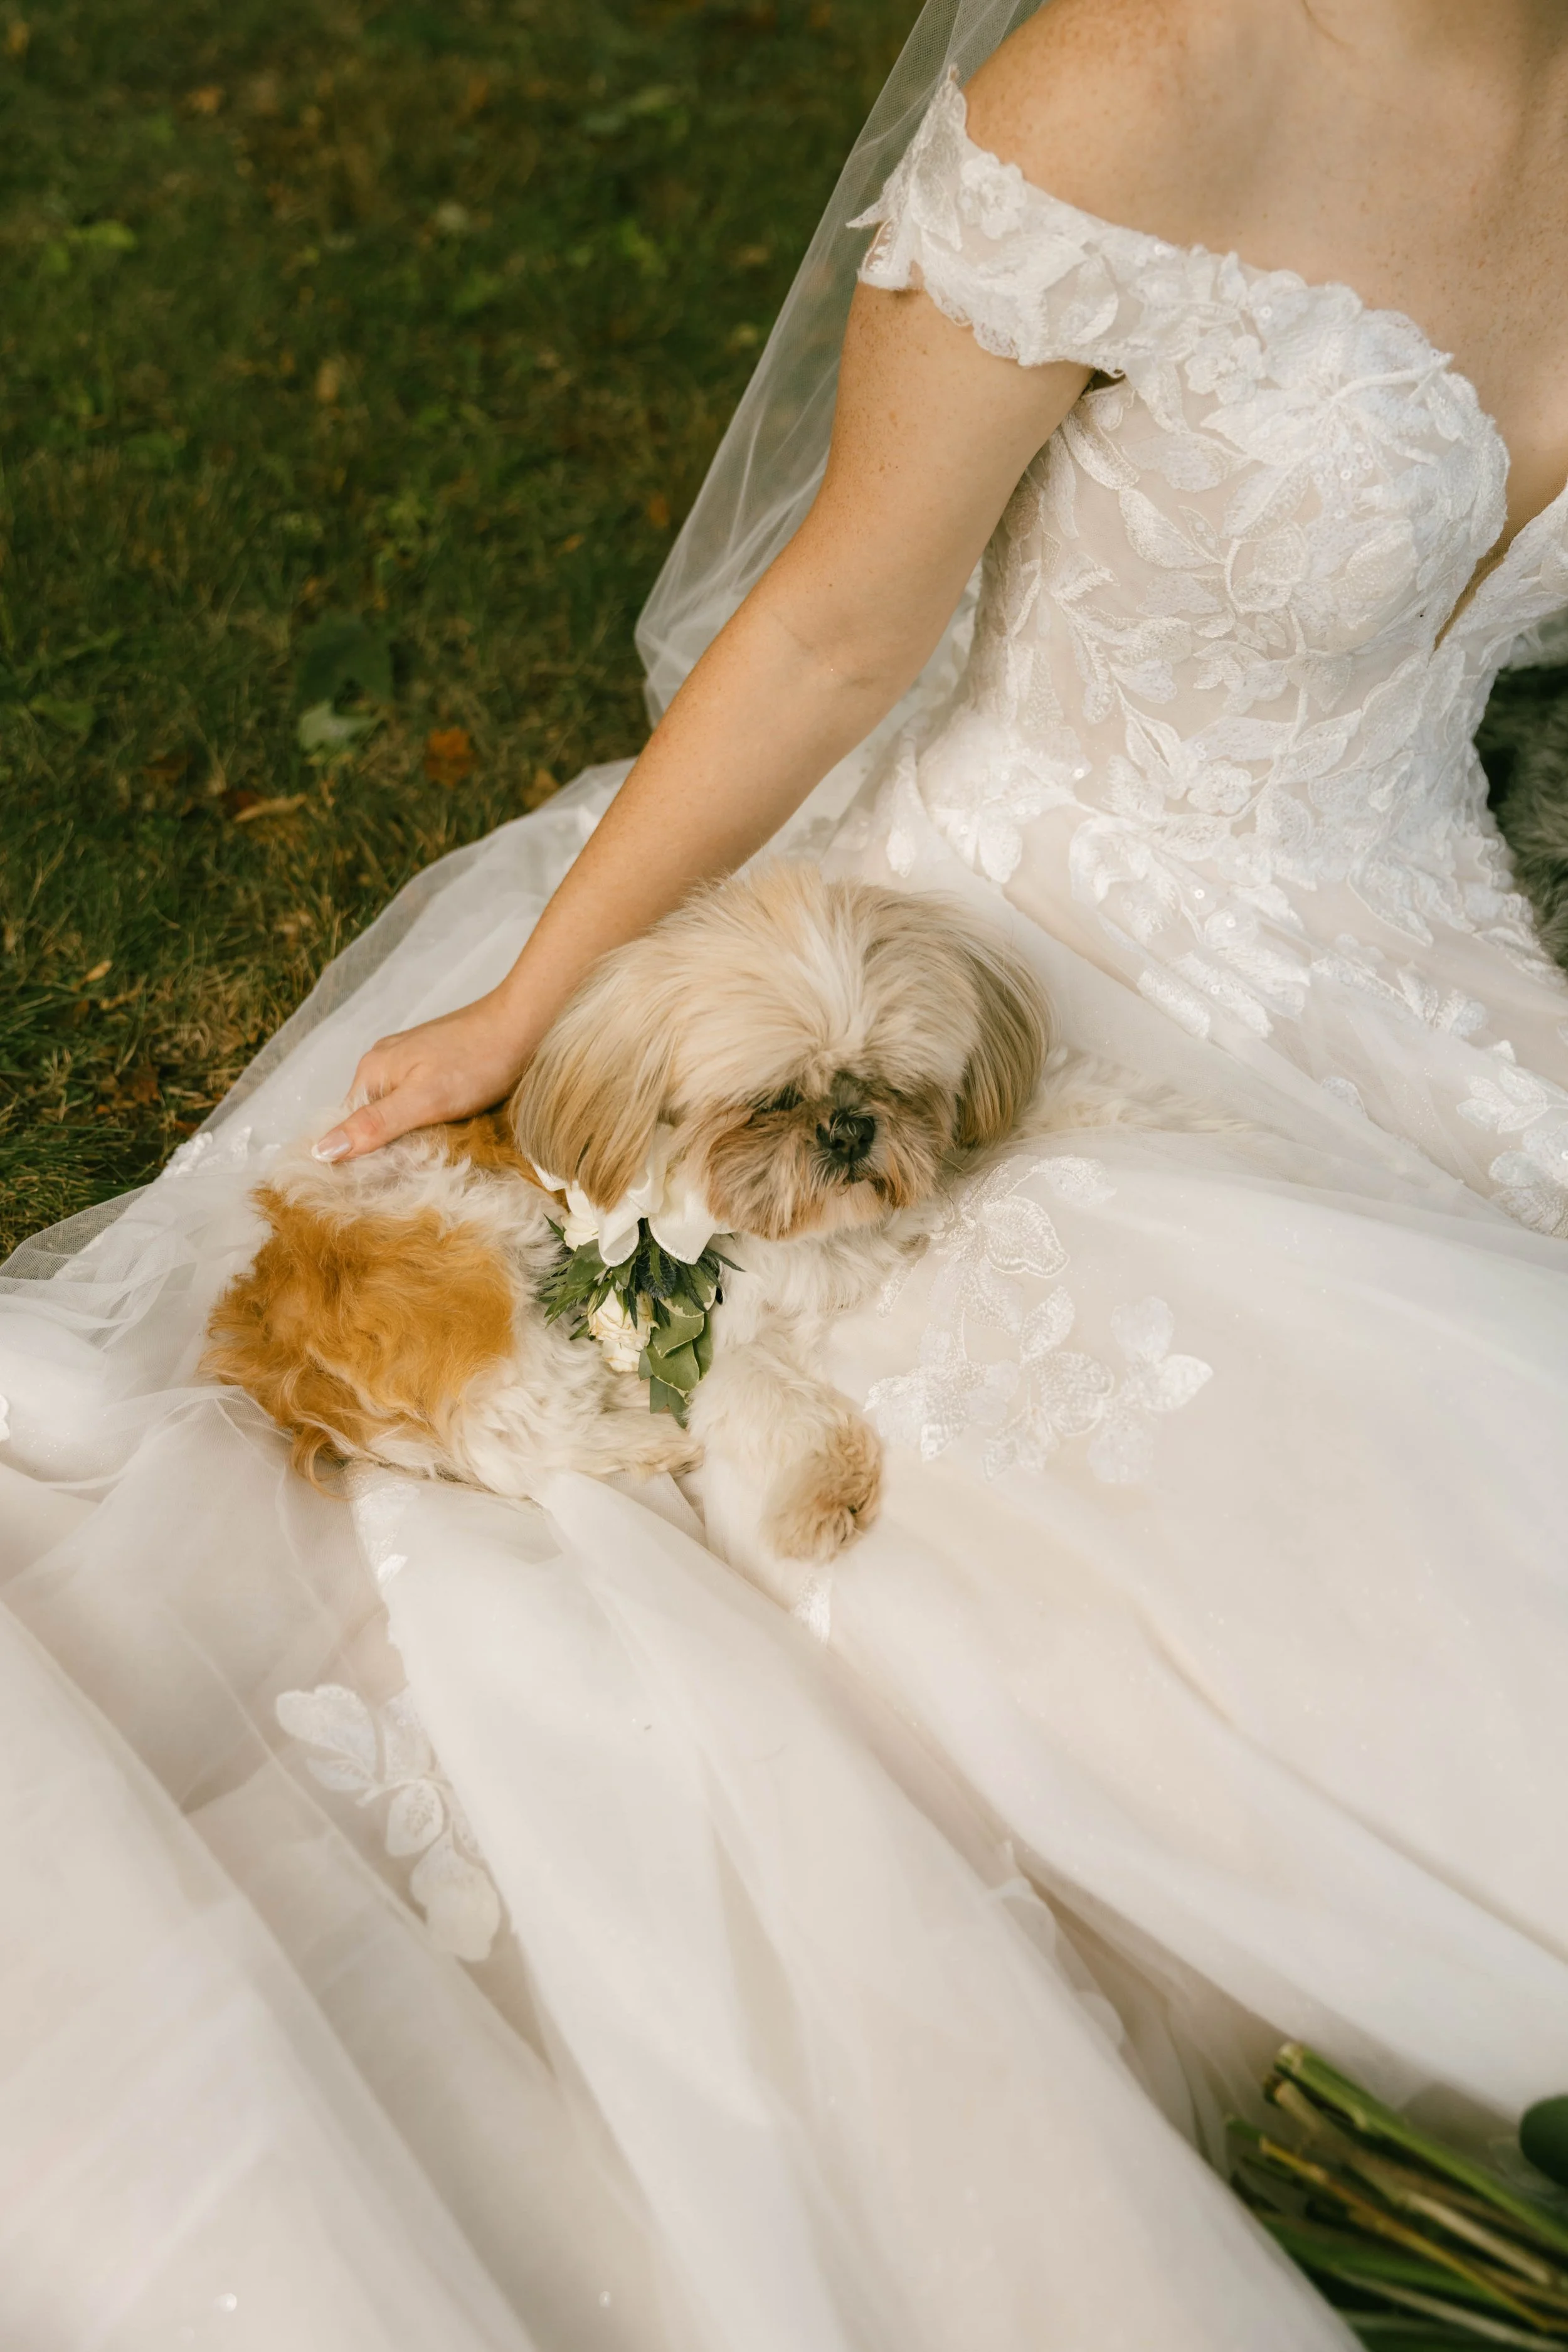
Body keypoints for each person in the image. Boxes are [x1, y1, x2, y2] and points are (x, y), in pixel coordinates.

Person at [5, 3, 1568, 2344]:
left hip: (1438, 982)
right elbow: (840, 623)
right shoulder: (1143, 73)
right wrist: (529, 1015)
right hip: (1023, 955)